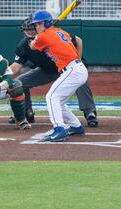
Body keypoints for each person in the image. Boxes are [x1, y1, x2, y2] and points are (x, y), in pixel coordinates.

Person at [9, 16, 99, 127]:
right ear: (24, 32)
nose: (31, 32)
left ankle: (89, 112)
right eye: (28, 30)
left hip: (67, 67)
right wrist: (1, 76)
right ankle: (26, 113)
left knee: (79, 80)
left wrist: (78, 59)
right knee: (18, 83)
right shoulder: (24, 45)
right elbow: (15, 67)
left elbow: (78, 40)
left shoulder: (52, 35)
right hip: (47, 71)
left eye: (33, 29)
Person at [29, 10, 88, 142]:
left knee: (51, 96)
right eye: (36, 24)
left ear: (46, 22)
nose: (36, 27)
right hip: (76, 69)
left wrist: (34, 40)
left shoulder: (44, 36)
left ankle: (59, 129)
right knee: (59, 101)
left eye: (39, 24)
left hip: (73, 70)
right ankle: (76, 126)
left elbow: (33, 46)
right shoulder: (60, 31)